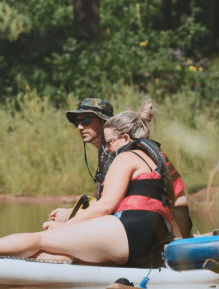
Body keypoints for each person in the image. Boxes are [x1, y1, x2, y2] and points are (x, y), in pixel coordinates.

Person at [0, 102, 175, 268]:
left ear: (125, 139)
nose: (108, 148)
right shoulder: (155, 158)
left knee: (40, 240)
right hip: (149, 238)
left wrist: (67, 226)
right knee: (49, 254)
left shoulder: (125, 157)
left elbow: (105, 206)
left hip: (132, 231)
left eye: (110, 142)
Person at [49, 98, 192, 238]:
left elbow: (108, 205)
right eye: (77, 122)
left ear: (104, 122)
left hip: (174, 218)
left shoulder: (121, 152)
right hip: (153, 216)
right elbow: (101, 196)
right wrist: (73, 212)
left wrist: (71, 216)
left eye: (86, 121)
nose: (80, 127)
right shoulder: (107, 152)